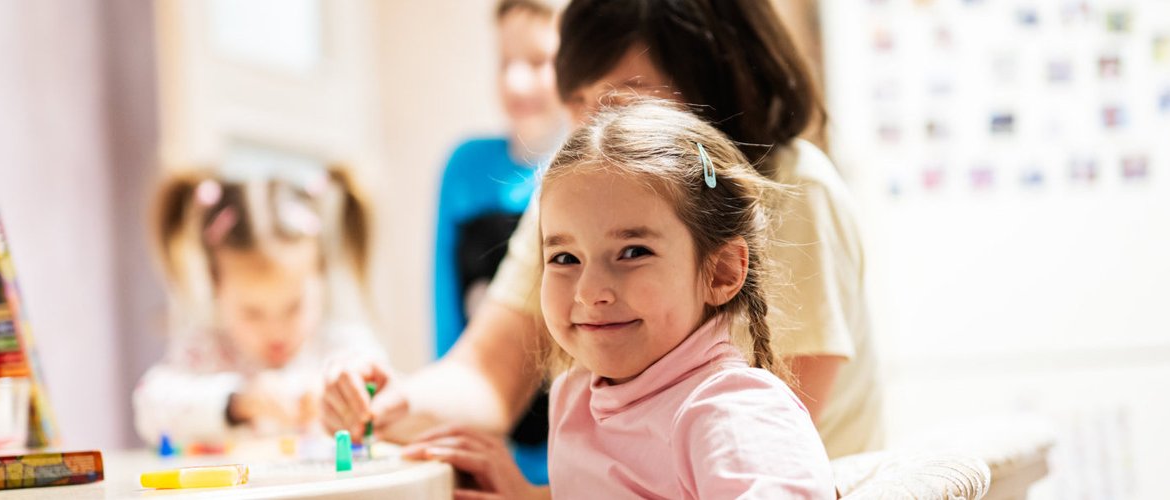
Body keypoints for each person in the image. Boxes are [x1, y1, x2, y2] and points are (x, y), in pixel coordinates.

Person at [326, 0, 882, 461]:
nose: (597, 132)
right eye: (577, 104)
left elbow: (753, 462)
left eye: (622, 102)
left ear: (714, 78)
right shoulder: (586, 196)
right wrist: (387, 401)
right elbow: (487, 374)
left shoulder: (795, 189)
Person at [405, 101, 834, 498]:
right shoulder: (575, 399)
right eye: (565, 257)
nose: (590, 291)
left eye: (633, 252)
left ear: (721, 272)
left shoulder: (731, 414)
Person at [135, 167, 384, 447]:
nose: (276, 330)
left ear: (321, 278)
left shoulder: (343, 347)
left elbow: (387, 397)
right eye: (252, 313)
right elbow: (149, 408)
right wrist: (237, 401)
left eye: (294, 307)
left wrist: (341, 398)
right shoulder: (205, 349)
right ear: (216, 287)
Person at [430, 0, 567, 483]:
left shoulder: (584, 172)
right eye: (504, 62)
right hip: (487, 425)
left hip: (570, 444)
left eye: (536, 62)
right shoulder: (464, 168)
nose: (515, 82)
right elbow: (447, 308)